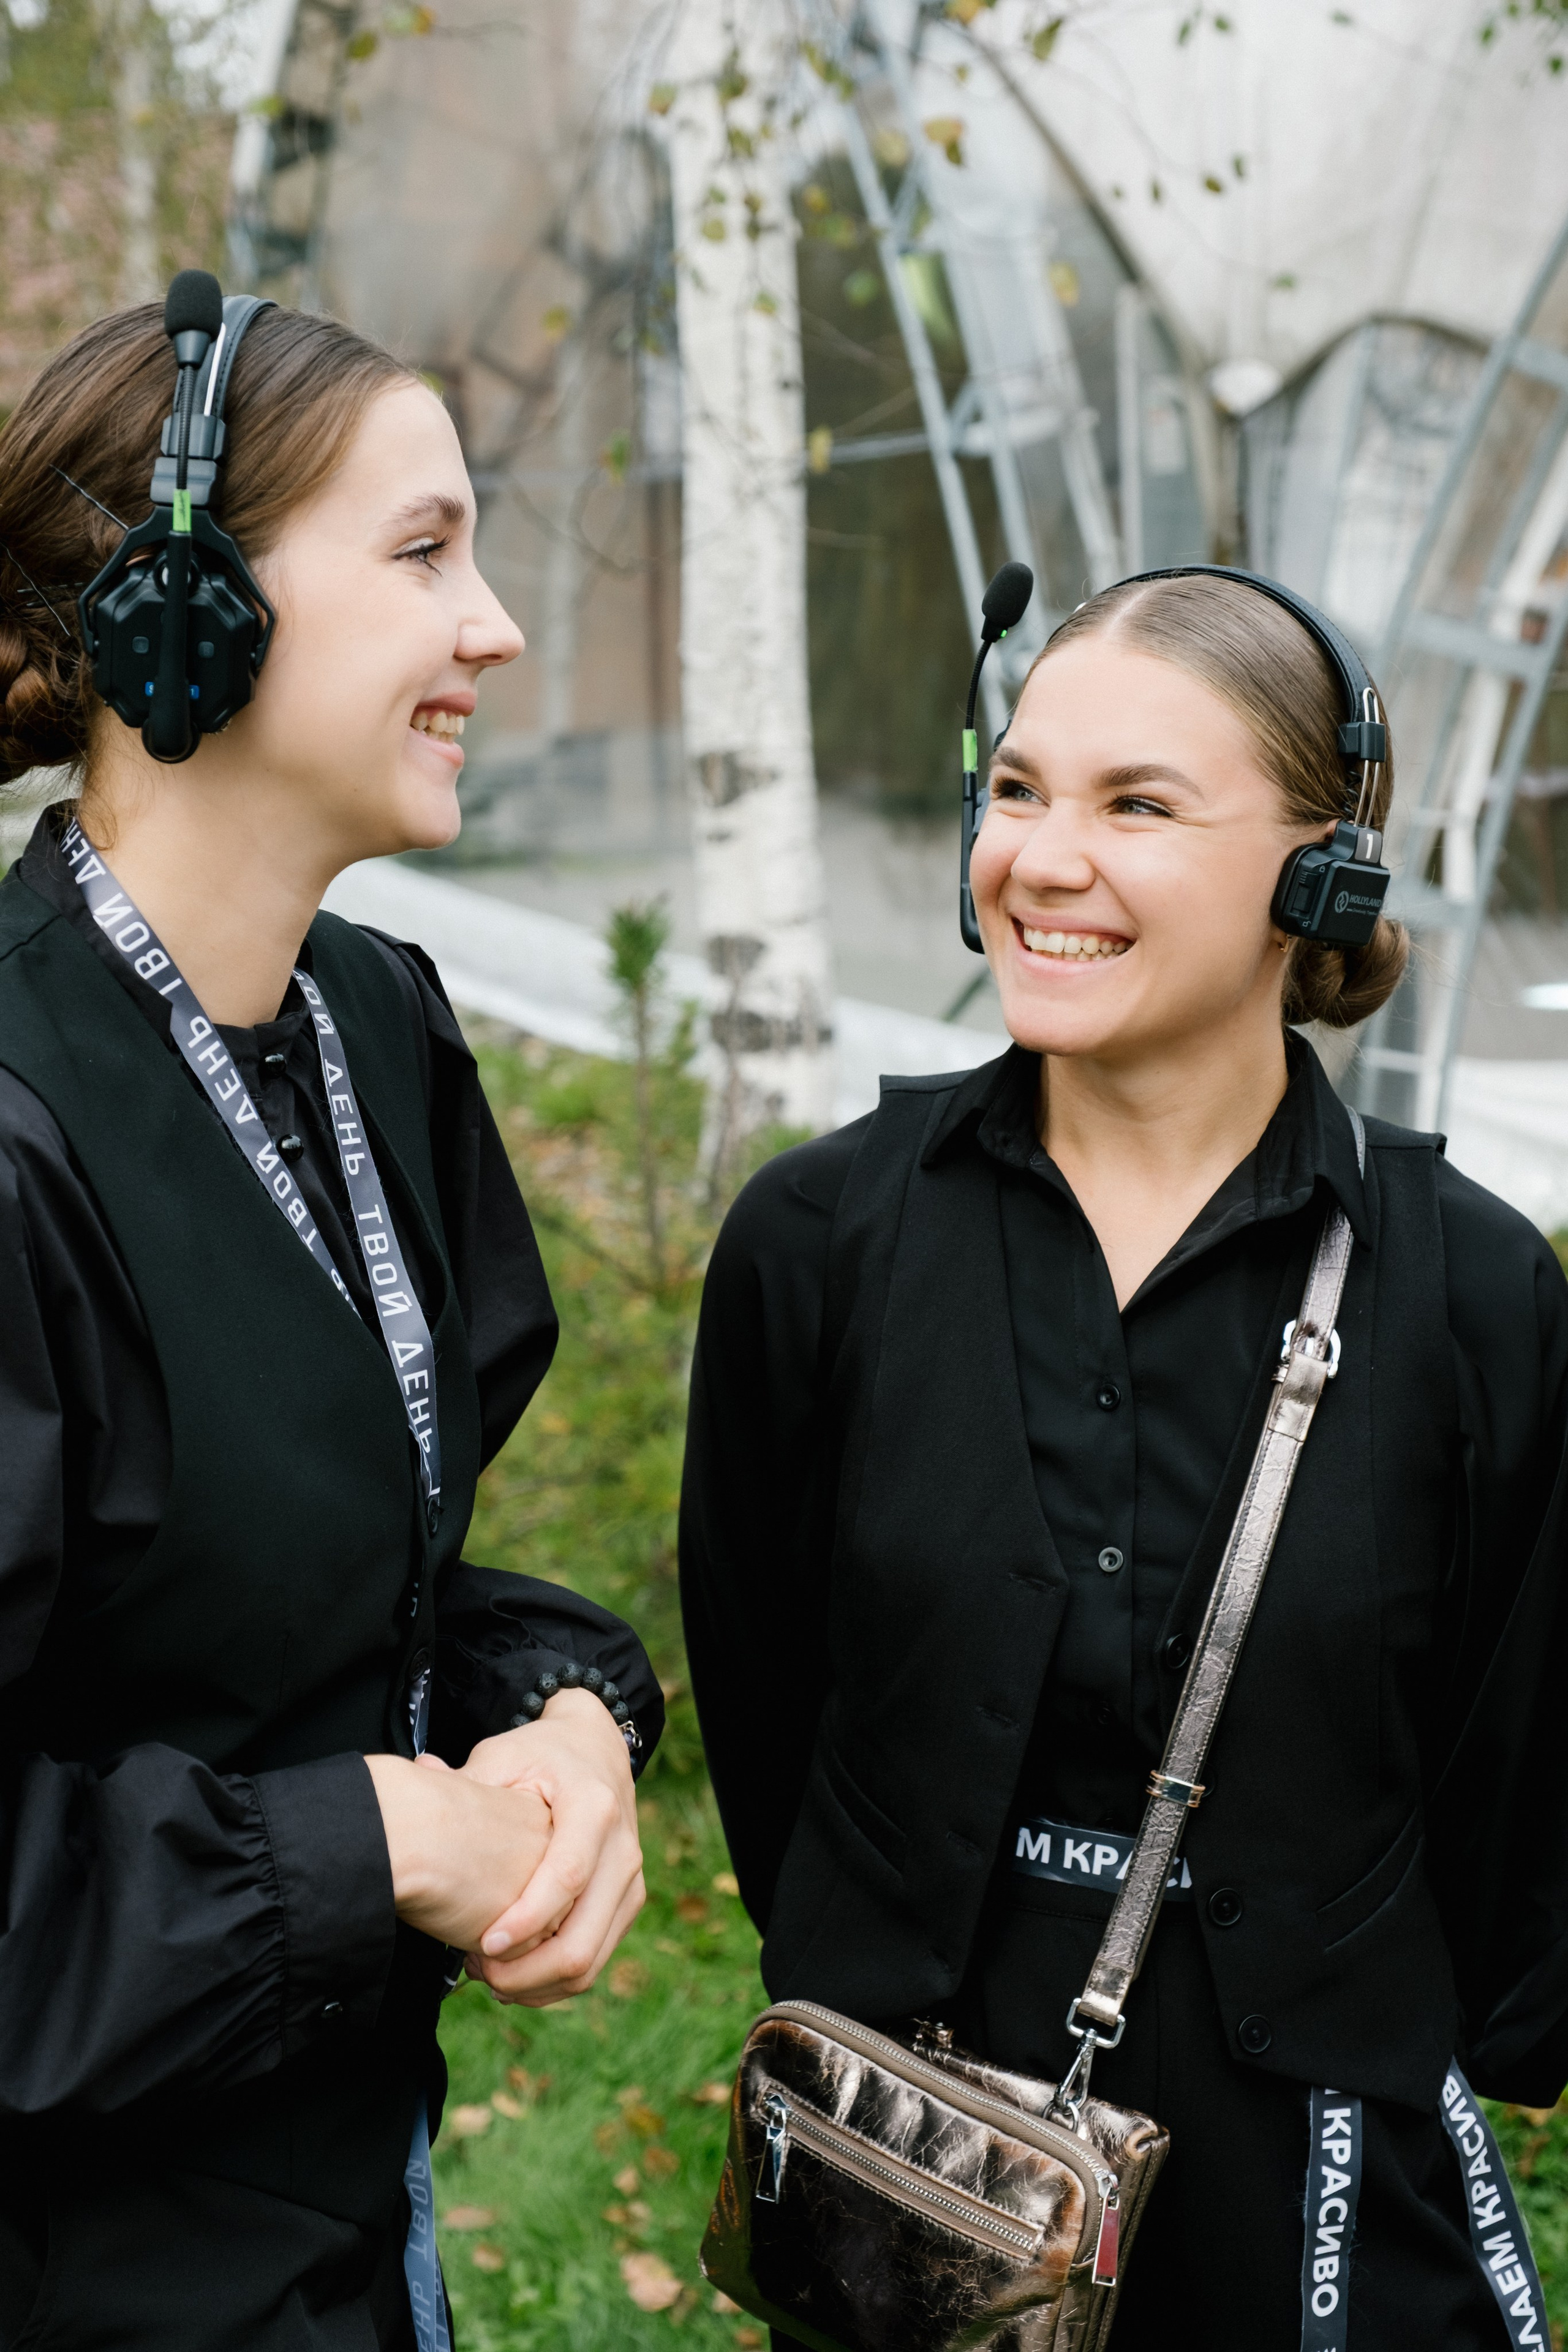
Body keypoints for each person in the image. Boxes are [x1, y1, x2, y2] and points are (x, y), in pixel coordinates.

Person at [680, 570, 1568, 2348]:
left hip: (1321, 2195)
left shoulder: (1474, 1296)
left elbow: (1517, 1801)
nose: (1043, 859)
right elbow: (770, 1721)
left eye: (1138, 806)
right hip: (918, 2193)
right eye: (1017, 789)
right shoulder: (817, 1243)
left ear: (1322, 875)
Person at [0, 289, 662, 2348]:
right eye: (422, 551)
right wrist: (372, 1842)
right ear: (181, 600)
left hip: (355, 2224)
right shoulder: (13, 1137)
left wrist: (569, 1715)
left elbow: (316, 1603)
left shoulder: (377, 1032)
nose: (498, 628)